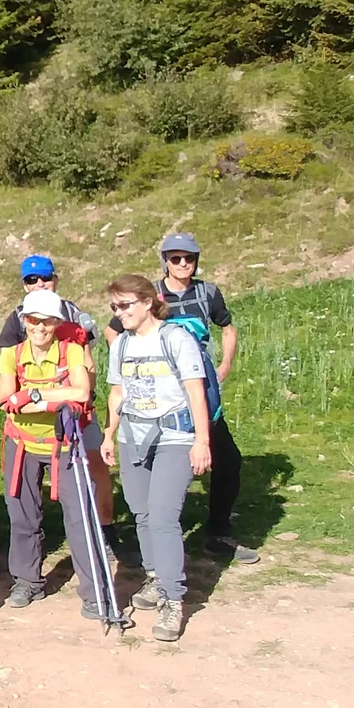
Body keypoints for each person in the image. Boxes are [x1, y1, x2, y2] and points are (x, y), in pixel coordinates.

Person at [105, 234, 253, 564]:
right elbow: (112, 329)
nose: (183, 264)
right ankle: (166, 538)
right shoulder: (150, 295)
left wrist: (225, 364)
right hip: (161, 397)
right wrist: (130, 362)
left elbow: (227, 326)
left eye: (189, 258)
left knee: (227, 459)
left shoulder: (208, 292)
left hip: (201, 389)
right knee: (162, 470)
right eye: (176, 258)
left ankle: (217, 531)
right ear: (165, 262)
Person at [0, 255, 136, 568]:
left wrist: (42, 396)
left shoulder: (73, 313)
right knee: (26, 500)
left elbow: (86, 367)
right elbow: (9, 383)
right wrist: (48, 397)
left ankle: (106, 530)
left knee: (97, 467)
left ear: (55, 279)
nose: (39, 284)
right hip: (35, 421)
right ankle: (32, 562)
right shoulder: (16, 318)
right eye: (31, 280)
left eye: (44, 278)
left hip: (76, 412)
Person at [101, 274, 214, 642]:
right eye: (114, 307)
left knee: (164, 516)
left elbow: (195, 392)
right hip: (133, 435)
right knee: (142, 513)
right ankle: (154, 575)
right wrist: (109, 433)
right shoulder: (120, 345)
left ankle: (172, 598)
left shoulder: (175, 338)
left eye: (125, 305)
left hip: (175, 436)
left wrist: (202, 441)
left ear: (148, 302)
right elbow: (117, 392)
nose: (120, 313)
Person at [0, 292, 106, 618]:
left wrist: (32, 394)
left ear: (57, 323)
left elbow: (83, 392)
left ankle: (94, 593)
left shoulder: (70, 350)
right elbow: (5, 399)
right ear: (24, 321)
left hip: (66, 444)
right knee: (22, 516)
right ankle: (27, 581)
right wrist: (59, 397)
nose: (39, 327)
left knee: (80, 518)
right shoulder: (11, 355)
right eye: (33, 320)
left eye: (46, 321)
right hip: (23, 444)